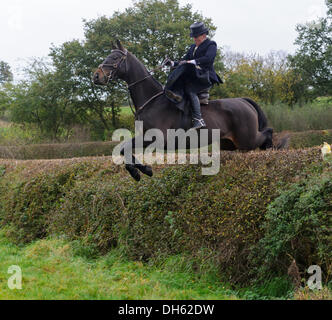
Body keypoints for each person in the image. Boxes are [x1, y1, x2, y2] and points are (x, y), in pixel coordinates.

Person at [164, 22, 222, 129]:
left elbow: (208, 59)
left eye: (196, 37)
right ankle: (173, 92)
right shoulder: (192, 47)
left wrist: (192, 62)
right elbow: (184, 60)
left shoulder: (211, 45)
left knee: (190, 89)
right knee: (183, 71)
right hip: (195, 76)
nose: (194, 39)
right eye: (193, 37)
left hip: (205, 76)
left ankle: (198, 119)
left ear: (204, 35)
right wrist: (172, 63)